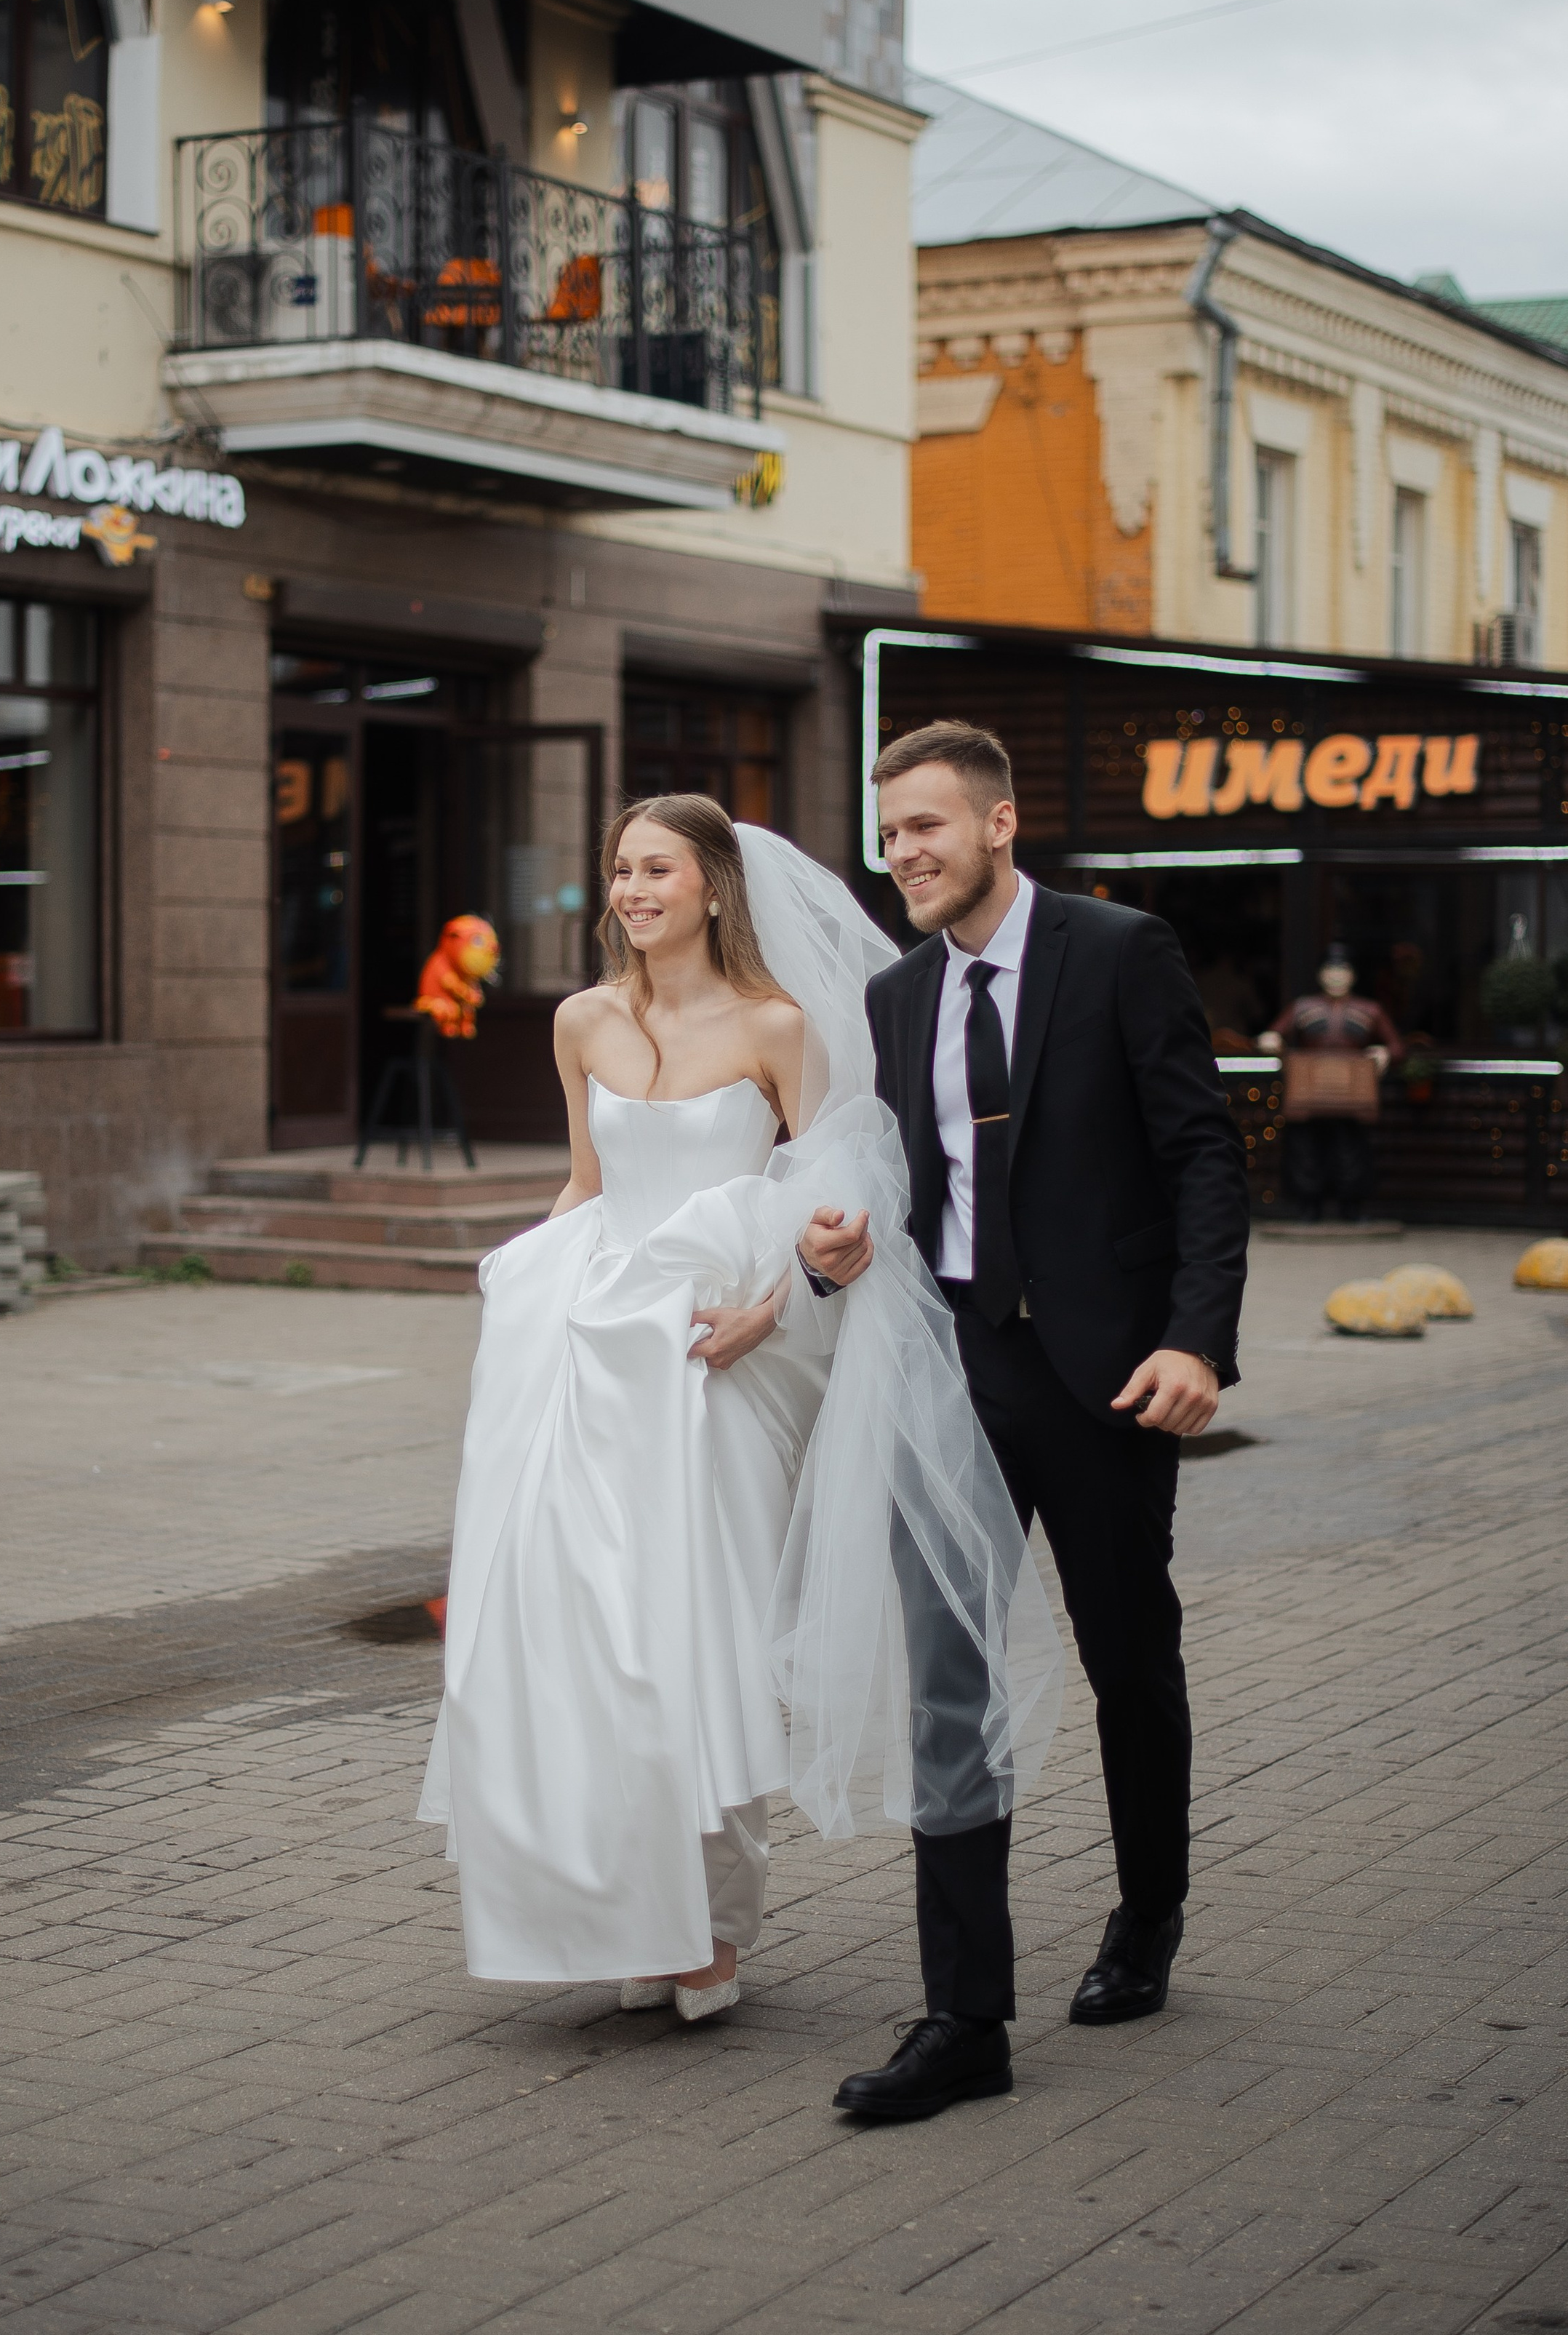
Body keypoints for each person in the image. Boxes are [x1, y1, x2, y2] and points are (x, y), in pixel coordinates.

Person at [418, 795, 1062, 2035]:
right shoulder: (580, 1020)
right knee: (593, 1634)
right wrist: (526, 1293)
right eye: (619, 868)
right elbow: (588, 1183)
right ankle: (626, 1910)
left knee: (698, 1634)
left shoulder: (780, 1024)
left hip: (729, 1353)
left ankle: (715, 1924)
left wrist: (775, 1307)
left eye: (656, 867)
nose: (632, 888)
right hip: (595, 1348)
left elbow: (845, 1177)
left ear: (713, 883)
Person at [804, 720, 1249, 2127]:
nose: (905, 854)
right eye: (889, 835)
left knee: (1129, 1653)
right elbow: (908, 1179)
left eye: (927, 826)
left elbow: (1200, 1156)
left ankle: (1148, 1911)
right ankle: (966, 2018)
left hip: (1111, 1377)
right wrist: (837, 1251)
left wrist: (1196, 1340)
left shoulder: (1121, 952)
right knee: (950, 1680)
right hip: (955, 1371)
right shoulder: (893, 996)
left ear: (1000, 825)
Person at [1257, 946, 1403, 1224]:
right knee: (1305, 1150)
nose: (1336, 977)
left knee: (1352, 1151)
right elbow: (1273, 1033)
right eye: (1331, 970)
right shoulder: (1303, 1006)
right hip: (1309, 1091)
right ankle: (1308, 1208)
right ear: (1320, 975)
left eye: (1343, 970)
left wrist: (1385, 1053)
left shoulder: (1369, 1009)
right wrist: (1272, 1039)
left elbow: (1398, 1048)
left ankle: (1352, 1208)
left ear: (1353, 976)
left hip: (1353, 1093)